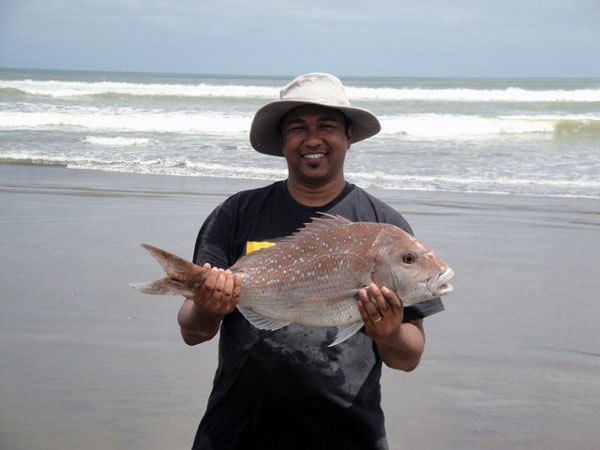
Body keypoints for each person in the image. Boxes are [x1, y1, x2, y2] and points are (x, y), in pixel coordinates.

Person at [177, 73, 444, 450]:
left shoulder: (386, 226)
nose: (313, 139)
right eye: (298, 127)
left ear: (349, 136)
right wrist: (209, 309)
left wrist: (390, 333)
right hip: (237, 430)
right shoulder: (237, 213)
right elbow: (193, 332)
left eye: (327, 126)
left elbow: (408, 357)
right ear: (283, 141)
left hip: (349, 434)